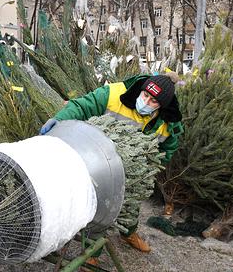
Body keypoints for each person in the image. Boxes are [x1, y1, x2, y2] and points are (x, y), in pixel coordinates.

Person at [40, 73, 183, 253]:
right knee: (99, 207)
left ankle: (128, 232)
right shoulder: (114, 94)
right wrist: (59, 119)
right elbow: (83, 105)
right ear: (142, 89)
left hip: (131, 170)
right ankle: (92, 252)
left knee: (130, 203)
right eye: (145, 95)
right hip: (97, 159)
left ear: (162, 105)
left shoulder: (168, 123)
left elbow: (168, 148)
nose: (146, 102)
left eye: (153, 101)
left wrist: (147, 167)